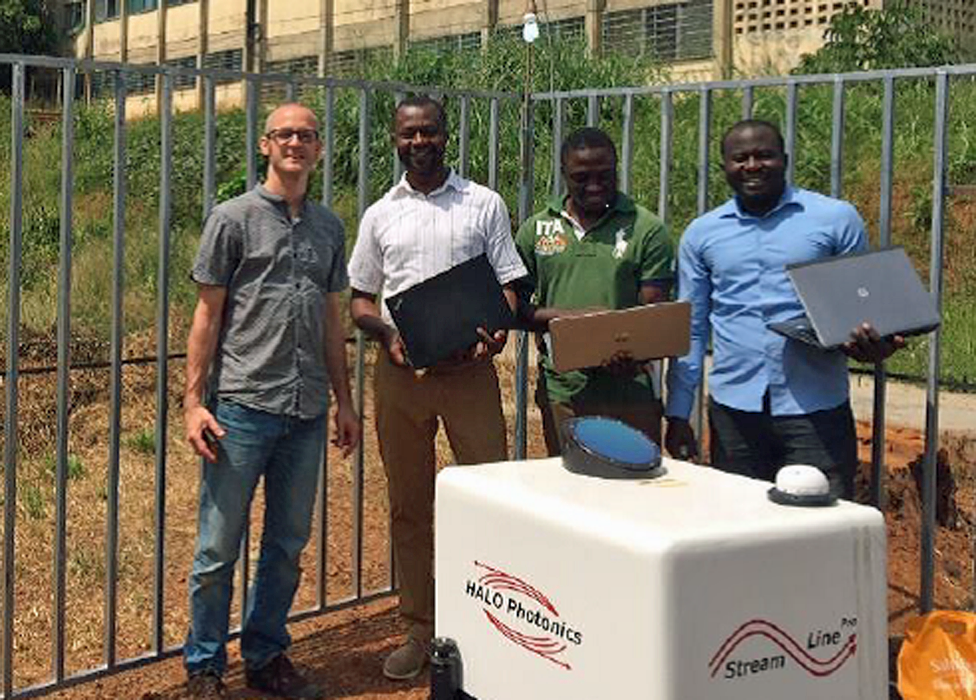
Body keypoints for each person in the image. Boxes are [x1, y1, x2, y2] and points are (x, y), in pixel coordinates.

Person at [182, 103, 360, 700]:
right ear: (265, 144)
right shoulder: (231, 219)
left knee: (285, 546)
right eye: (284, 134)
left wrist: (345, 401)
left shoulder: (329, 227)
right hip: (240, 410)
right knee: (217, 548)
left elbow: (332, 320)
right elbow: (207, 314)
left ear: (319, 149)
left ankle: (265, 657)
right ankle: (205, 665)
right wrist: (191, 402)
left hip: (305, 414)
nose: (295, 143)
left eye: (307, 135)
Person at [348, 95, 527, 681]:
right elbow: (360, 300)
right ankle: (419, 630)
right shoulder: (379, 215)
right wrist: (384, 333)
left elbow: (508, 287)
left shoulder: (484, 204)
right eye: (408, 134)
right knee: (409, 505)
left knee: (489, 497)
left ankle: (491, 622)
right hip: (402, 377)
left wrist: (494, 333)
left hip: (469, 375)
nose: (418, 142)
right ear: (395, 140)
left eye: (428, 132)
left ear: (446, 136)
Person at [665, 119, 901, 499]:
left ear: (785, 159)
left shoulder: (834, 219)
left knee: (821, 526)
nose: (753, 165)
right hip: (734, 410)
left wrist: (875, 341)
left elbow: (863, 305)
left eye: (765, 155)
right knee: (740, 526)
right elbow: (691, 328)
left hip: (815, 408)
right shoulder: (701, 234)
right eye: (741, 157)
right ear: (724, 166)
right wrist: (678, 412)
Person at [515, 127, 675, 455]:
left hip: (631, 392)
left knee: (633, 492)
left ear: (616, 169)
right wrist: (570, 320)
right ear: (563, 174)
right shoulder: (537, 229)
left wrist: (634, 353)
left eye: (604, 175)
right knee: (570, 494)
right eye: (581, 177)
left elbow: (653, 315)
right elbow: (511, 307)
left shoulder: (646, 229)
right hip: (564, 391)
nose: (594, 186)